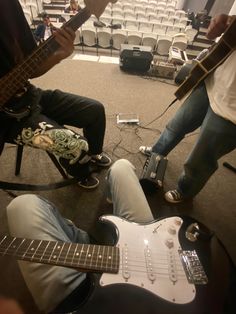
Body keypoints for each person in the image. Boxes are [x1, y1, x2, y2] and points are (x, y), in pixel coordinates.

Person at [6, 159, 154, 313]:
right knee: (121, 167)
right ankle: (85, 242)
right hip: (154, 246)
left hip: (82, 301)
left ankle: (81, 241)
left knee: (21, 206)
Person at [0, 0, 111, 189]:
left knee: (95, 110)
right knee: (76, 146)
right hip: (6, 120)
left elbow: (29, 68)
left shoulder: (8, 6)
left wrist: (60, 54)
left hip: (26, 95)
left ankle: (92, 154)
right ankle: (79, 172)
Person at [139, 13, 236, 203]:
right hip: (212, 80)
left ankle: (185, 190)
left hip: (232, 109)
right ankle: (157, 152)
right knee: (175, 126)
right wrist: (224, 21)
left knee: (202, 157)